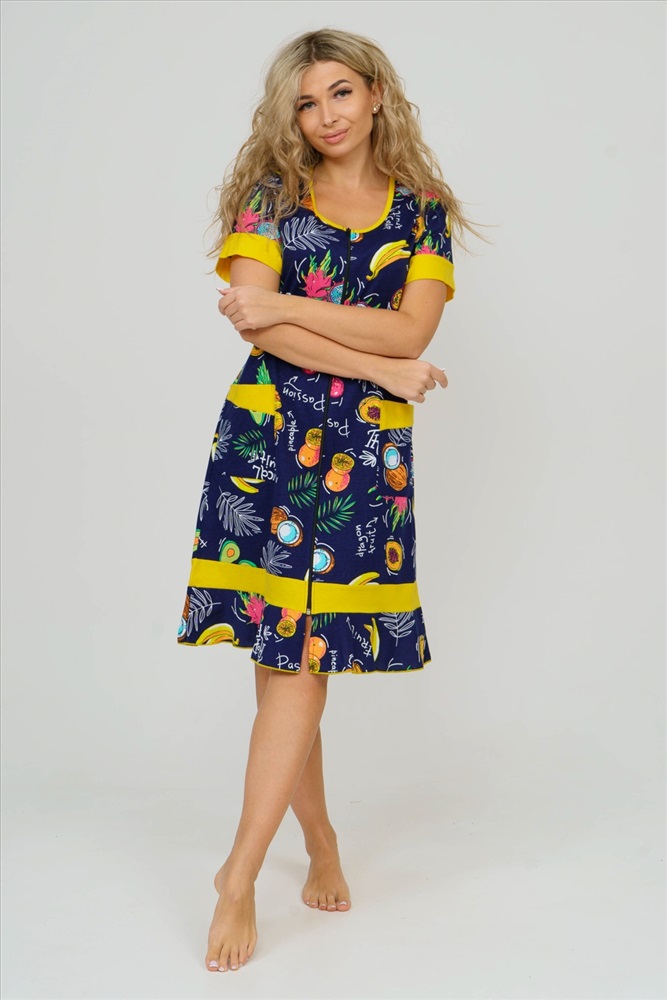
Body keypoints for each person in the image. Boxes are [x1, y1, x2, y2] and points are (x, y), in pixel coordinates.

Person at [176, 27, 476, 974]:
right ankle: (299, 849)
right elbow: (259, 329)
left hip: (362, 459)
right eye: (306, 103)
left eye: (340, 93)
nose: (325, 116)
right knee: (286, 661)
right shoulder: (268, 196)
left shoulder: (423, 213)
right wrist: (376, 366)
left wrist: (290, 307)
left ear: (376, 93)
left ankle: (251, 867)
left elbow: (410, 328)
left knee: (298, 659)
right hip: (266, 442)